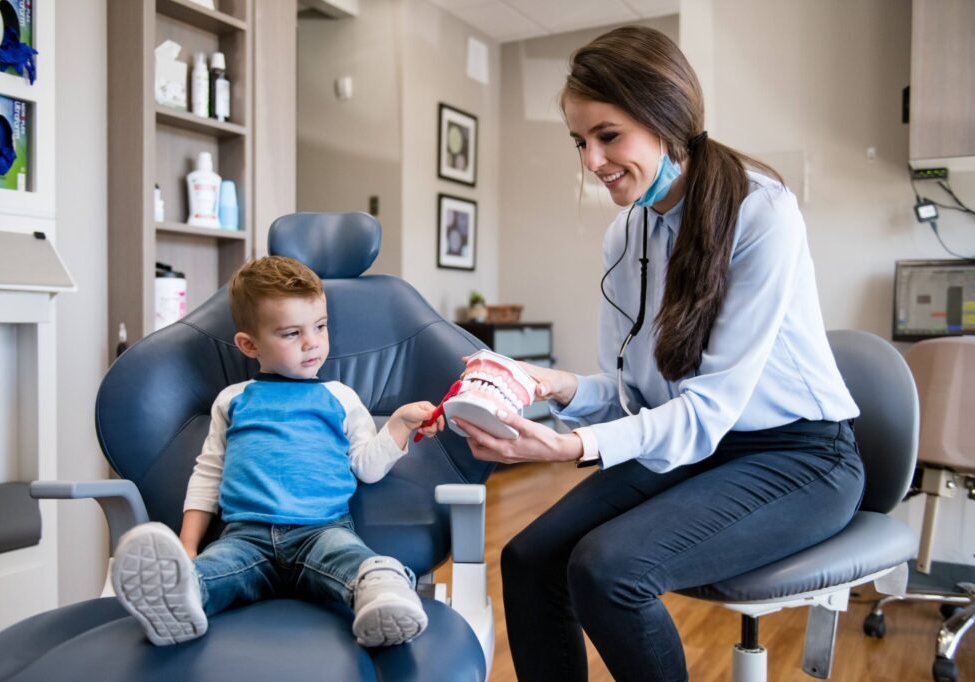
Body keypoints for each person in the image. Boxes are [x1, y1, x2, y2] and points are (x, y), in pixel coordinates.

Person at [451, 25, 865, 682]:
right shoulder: (627, 234)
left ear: (666, 119)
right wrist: (557, 386)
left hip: (801, 459)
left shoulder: (762, 213)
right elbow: (638, 395)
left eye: (608, 136)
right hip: (699, 447)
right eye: (580, 141)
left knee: (609, 572)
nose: (592, 160)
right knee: (528, 559)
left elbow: (707, 408)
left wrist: (570, 447)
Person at [110, 256, 444, 649]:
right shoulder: (232, 400)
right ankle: (178, 601)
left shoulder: (340, 397)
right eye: (291, 333)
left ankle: (385, 596)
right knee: (209, 574)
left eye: (320, 326)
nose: (312, 342)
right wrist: (187, 546)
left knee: (360, 566)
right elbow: (208, 475)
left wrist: (399, 425)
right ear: (249, 345)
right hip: (244, 538)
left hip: (322, 531)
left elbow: (366, 468)